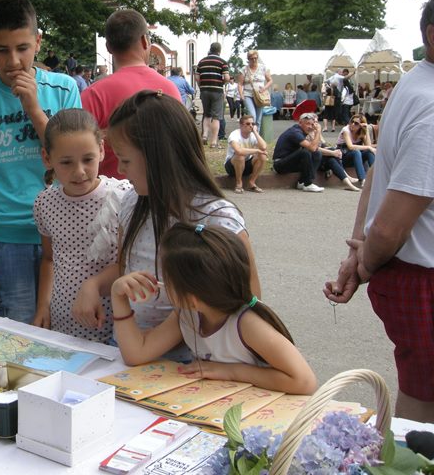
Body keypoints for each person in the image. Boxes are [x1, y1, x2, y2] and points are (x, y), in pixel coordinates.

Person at [72, 90, 261, 339]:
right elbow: (126, 268)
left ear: (160, 157)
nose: (119, 169)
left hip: (188, 356)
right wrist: (94, 285)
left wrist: (155, 343)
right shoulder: (132, 202)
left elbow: (249, 304)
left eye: (125, 160)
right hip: (128, 346)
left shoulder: (217, 218)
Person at [325, 0, 434, 422]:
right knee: (424, 404)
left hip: (412, 271)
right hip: (421, 275)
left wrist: (357, 252)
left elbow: (377, 173)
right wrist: (365, 262)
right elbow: (390, 227)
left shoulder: (413, 84)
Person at [0, 0, 81, 324]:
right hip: (6, 239)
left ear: (38, 42)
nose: (13, 61)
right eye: (2, 50)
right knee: (19, 331)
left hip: (64, 231)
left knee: (65, 326)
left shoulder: (64, 89)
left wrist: (34, 109)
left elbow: (72, 160)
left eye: (22, 48)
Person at [112, 223, 316, 394]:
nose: (159, 281)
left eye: (166, 277)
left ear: (192, 298)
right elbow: (136, 354)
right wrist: (118, 297)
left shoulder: (247, 323)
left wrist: (232, 372)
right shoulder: (189, 314)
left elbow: (305, 381)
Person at [32, 109, 132, 343]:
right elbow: (49, 259)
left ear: (101, 150)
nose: (79, 171)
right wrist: (43, 306)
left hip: (113, 329)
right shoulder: (44, 203)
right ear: (47, 158)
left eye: (88, 159)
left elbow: (128, 264)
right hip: (61, 327)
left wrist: (93, 286)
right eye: (66, 162)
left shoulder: (123, 197)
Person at [80, 9, 180, 177]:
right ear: (145, 41)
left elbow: (79, 148)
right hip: (160, 187)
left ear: (108, 47)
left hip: (108, 190)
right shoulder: (169, 90)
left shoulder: (93, 94)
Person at [272, 112, 324, 192]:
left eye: (312, 124)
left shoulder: (302, 132)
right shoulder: (295, 132)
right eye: (307, 124)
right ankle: (308, 184)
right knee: (305, 153)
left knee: (317, 154)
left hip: (291, 162)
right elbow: (312, 148)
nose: (310, 127)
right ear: (300, 123)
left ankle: (302, 182)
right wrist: (318, 131)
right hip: (280, 164)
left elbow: (315, 149)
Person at [197, 42, 229, 148]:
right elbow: (227, 78)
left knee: (207, 114)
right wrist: (222, 83)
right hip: (217, 91)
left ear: (210, 49)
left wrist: (201, 86)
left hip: (204, 90)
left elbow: (197, 77)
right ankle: (214, 141)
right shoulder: (223, 62)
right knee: (216, 117)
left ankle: (204, 136)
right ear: (219, 50)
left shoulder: (201, 62)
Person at [225, 115, 268, 194]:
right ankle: (239, 184)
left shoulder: (252, 135)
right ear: (241, 125)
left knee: (262, 156)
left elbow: (264, 147)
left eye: (253, 124)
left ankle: (252, 182)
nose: (251, 126)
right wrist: (256, 150)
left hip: (246, 164)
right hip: (232, 166)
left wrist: (255, 132)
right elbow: (239, 151)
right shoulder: (234, 135)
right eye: (248, 124)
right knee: (240, 156)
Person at [238, 49, 272, 131]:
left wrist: (264, 88)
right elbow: (240, 84)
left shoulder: (263, 67)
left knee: (258, 119)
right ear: (248, 59)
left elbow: (270, 80)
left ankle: (256, 137)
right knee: (252, 116)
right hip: (248, 94)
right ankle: (250, 135)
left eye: (255, 58)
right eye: (251, 58)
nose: (254, 60)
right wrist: (241, 95)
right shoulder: (244, 69)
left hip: (260, 96)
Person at [337, 114, 375, 186]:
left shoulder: (361, 132)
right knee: (356, 152)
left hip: (355, 158)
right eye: (352, 121)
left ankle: (376, 177)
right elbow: (350, 147)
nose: (353, 124)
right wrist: (368, 147)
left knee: (369, 153)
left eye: (356, 123)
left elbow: (369, 146)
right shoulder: (346, 130)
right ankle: (362, 180)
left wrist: (366, 130)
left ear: (361, 126)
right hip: (343, 157)